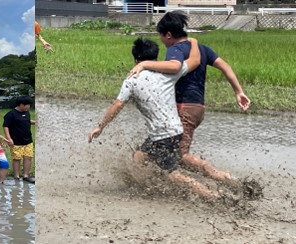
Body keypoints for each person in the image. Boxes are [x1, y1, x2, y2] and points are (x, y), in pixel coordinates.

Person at [88, 36, 230, 200]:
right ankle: (149, 186)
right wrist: (194, 42)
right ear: (156, 58)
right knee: (139, 156)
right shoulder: (168, 74)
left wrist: (100, 126)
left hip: (162, 135)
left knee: (173, 174)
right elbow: (195, 60)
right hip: (176, 130)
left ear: (135, 59)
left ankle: (212, 196)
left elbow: (118, 105)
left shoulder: (132, 80)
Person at [134, 11, 252, 175]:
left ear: (168, 35)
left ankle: (223, 178)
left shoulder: (175, 49)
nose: (161, 40)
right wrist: (239, 92)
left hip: (184, 108)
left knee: (181, 155)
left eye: (161, 36)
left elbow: (175, 66)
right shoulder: (202, 49)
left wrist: (145, 64)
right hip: (197, 108)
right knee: (158, 149)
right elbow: (225, 66)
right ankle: (150, 179)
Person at [5, 97, 37, 183]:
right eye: (27, 105)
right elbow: (6, 126)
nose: (29, 107)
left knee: (28, 157)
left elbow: (26, 121)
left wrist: (35, 122)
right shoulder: (10, 114)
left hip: (28, 140)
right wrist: (9, 138)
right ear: (21, 105)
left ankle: (26, 176)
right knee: (17, 159)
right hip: (16, 141)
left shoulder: (26, 112)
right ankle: (16, 176)